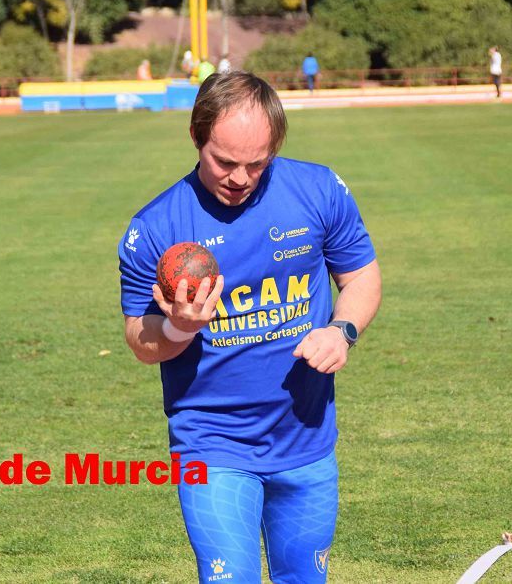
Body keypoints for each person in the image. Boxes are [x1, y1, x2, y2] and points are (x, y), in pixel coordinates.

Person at [119, 71, 382, 583]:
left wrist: (341, 330)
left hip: (305, 438)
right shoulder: (154, 228)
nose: (240, 178)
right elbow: (140, 341)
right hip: (210, 444)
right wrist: (176, 328)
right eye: (224, 161)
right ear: (196, 137)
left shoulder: (318, 190)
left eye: (256, 164)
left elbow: (362, 277)